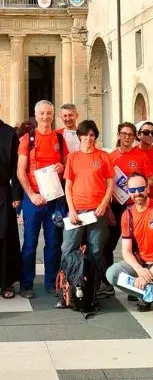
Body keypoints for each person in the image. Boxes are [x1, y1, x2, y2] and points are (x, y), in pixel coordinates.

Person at [16, 100, 68, 298]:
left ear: (53, 115)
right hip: (33, 199)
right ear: (35, 115)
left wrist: (62, 168)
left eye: (49, 113)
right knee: (29, 243)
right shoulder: (26, 140)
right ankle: (27, 284)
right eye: (42, 113)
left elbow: (66, 165)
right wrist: (31, 195)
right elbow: (21, 172)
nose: (46, 117)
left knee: (53, 243)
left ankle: (51, 282)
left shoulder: (60, 139)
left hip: (54, 199)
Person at [106, 172, 153, 311]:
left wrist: (149, 274)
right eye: (132, 190)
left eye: (141, 189)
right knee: (112, 274)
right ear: (128, 192)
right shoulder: (127, 215)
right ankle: (146, 293)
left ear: (148, 189)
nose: (137, 193)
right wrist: (140, 270)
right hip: (142, 263)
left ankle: (152, 291)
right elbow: (126, 250)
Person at [63, 119, 115, 299]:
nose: (88, 138)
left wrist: (104, 204)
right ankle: (70, 284)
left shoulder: (103, 157)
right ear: (79, 136)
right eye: (84, 134)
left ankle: (94, 286)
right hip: (76, 210)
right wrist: (71, 209)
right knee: (69, 247)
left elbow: (110, 184)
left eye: (92, 135)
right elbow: (68, 186)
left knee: (96, 250)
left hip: (96, 211)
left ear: (96, 137)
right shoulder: (73, 157)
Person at [104, 123, 153, 273]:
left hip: (135, 206)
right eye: (124, 134)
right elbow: (105, 185)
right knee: (108, 244)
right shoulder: (110, 157)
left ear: (134, 137)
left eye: (130, 134)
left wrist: (135, 185)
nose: (127, 137)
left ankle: (137, 281)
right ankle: (107, 282)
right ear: (119, 135)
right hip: (116, 206)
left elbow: (151, 180)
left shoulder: (141, 156)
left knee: (136, 246)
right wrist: (108, 209)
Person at [0, 119, 21, 299]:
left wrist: (16, 194)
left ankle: (7, 282)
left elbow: (16, 167)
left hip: (3, 191)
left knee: (5, 236)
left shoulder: (8, 133)